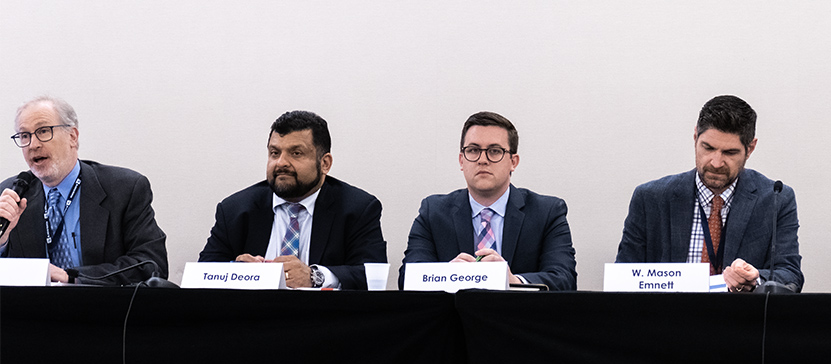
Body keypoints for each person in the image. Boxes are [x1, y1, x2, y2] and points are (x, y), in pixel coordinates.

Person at [616, 95, 803, 292]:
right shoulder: (650, 198)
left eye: (730, 153)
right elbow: (623, 278)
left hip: (741, 312)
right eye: (708, 148)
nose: (716, 162)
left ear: (750, 149)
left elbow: (790, 274)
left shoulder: (776, 198)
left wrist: (755, 279)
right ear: (695, 137)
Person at [199, 110, 387, 289]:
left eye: (296, 153)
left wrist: (315, 277)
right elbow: (201, 277)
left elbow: (372, 277)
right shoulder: (234, 210)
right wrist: (236, 271)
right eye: (275, 153)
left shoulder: (358, 209)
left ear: (325, 163)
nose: (281, 163)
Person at [400, 111, 576, 290]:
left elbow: (564, 278)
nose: (482, 160)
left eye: (494, 151)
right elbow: (407, 278)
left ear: (513, 162)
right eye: (473, 150)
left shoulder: (547, 212)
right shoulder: (433, 212)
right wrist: (446, 276)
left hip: (518, 308)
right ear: (461, 160)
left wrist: (513, 281)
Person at [0, 96, 167, 285]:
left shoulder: (125, 189)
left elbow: (152, 264)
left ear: (72, 137)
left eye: (43, 131)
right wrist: (1, 241)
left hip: (103, 302)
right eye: (24, 135)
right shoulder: (11, 195)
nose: (33, 145)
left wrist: (72, 277)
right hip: (34, 304)